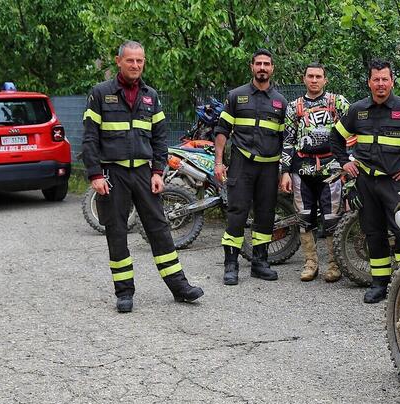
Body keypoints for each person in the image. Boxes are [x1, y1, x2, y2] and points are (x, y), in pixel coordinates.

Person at [82, 40, 204, 313]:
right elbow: (89, 138)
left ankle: (179, 287)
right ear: (118, 61)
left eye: (140, 61)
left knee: (159, 229)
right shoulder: (100, 93)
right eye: (130, 61)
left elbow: (160, 138)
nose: (135, 65)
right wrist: (94, 174)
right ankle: (124, 293)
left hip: (144, 173)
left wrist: (158, 171)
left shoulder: (151, 96)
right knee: (116, 232)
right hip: (112, 173)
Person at [329, 60, 400, 303]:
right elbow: (335, 137)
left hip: (394, 183)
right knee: (373, 233)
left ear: (392, 81)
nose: (380, 84)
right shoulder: (358, 110)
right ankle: (379, 283)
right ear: (369, 82)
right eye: (376, 79)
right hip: (366, 182)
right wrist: (343, 162)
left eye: (385, 79)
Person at [214, 49, 289, 285]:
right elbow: (222, 131)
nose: (263, 68)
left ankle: (260, 263)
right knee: (237, 213)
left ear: (272, 68)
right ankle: (231, 265)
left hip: (269, 168)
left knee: (266, 215)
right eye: (259, 64)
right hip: (241, 165)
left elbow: (286, 139)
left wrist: (284, 171)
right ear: (252, 67)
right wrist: (219, 163)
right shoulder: (236, 96)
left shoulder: (281, 102)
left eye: (267, 64)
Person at [279, 63, 351, 282]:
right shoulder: (294, 107)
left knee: (332, 217)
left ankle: (334, 264)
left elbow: (354, 132)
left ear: (325, 80)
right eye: (310, 76)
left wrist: (348, 162)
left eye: (318, 76)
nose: (314, 80)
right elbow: (288, 140)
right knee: (304, 218)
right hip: (302, 169)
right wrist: (285, 171)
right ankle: (310, 263)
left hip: (332, 169)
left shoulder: (338, 102)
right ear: (304, 79)